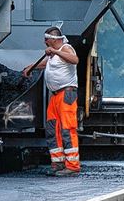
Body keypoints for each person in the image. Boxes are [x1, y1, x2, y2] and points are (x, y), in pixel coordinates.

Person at [22, 26, 81, 175]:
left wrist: (55, 51)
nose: (44, 42)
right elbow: (47, 64)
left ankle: (73, 166)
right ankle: (58, 163)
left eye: (46, 40)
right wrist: (31, 67)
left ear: (53, 39)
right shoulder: (53, 55)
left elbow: (75, 60)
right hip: (55, 96)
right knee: (52, 129)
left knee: (67, 129)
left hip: (67, 93)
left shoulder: (66, 48)